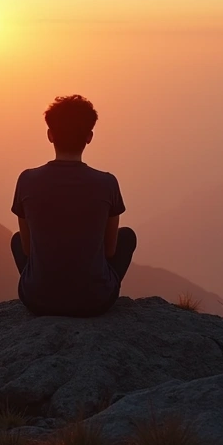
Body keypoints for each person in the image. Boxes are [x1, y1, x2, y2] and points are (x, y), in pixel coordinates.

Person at [10, 95, 137, 317]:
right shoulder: (107, 183)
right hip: (95, 302)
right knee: (127, 236)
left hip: (37, 301)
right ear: (89, 137)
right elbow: (110, 250)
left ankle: (46, 288)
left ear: (50, 135)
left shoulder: (27, 180)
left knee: (16, 240)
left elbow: (28, 250)